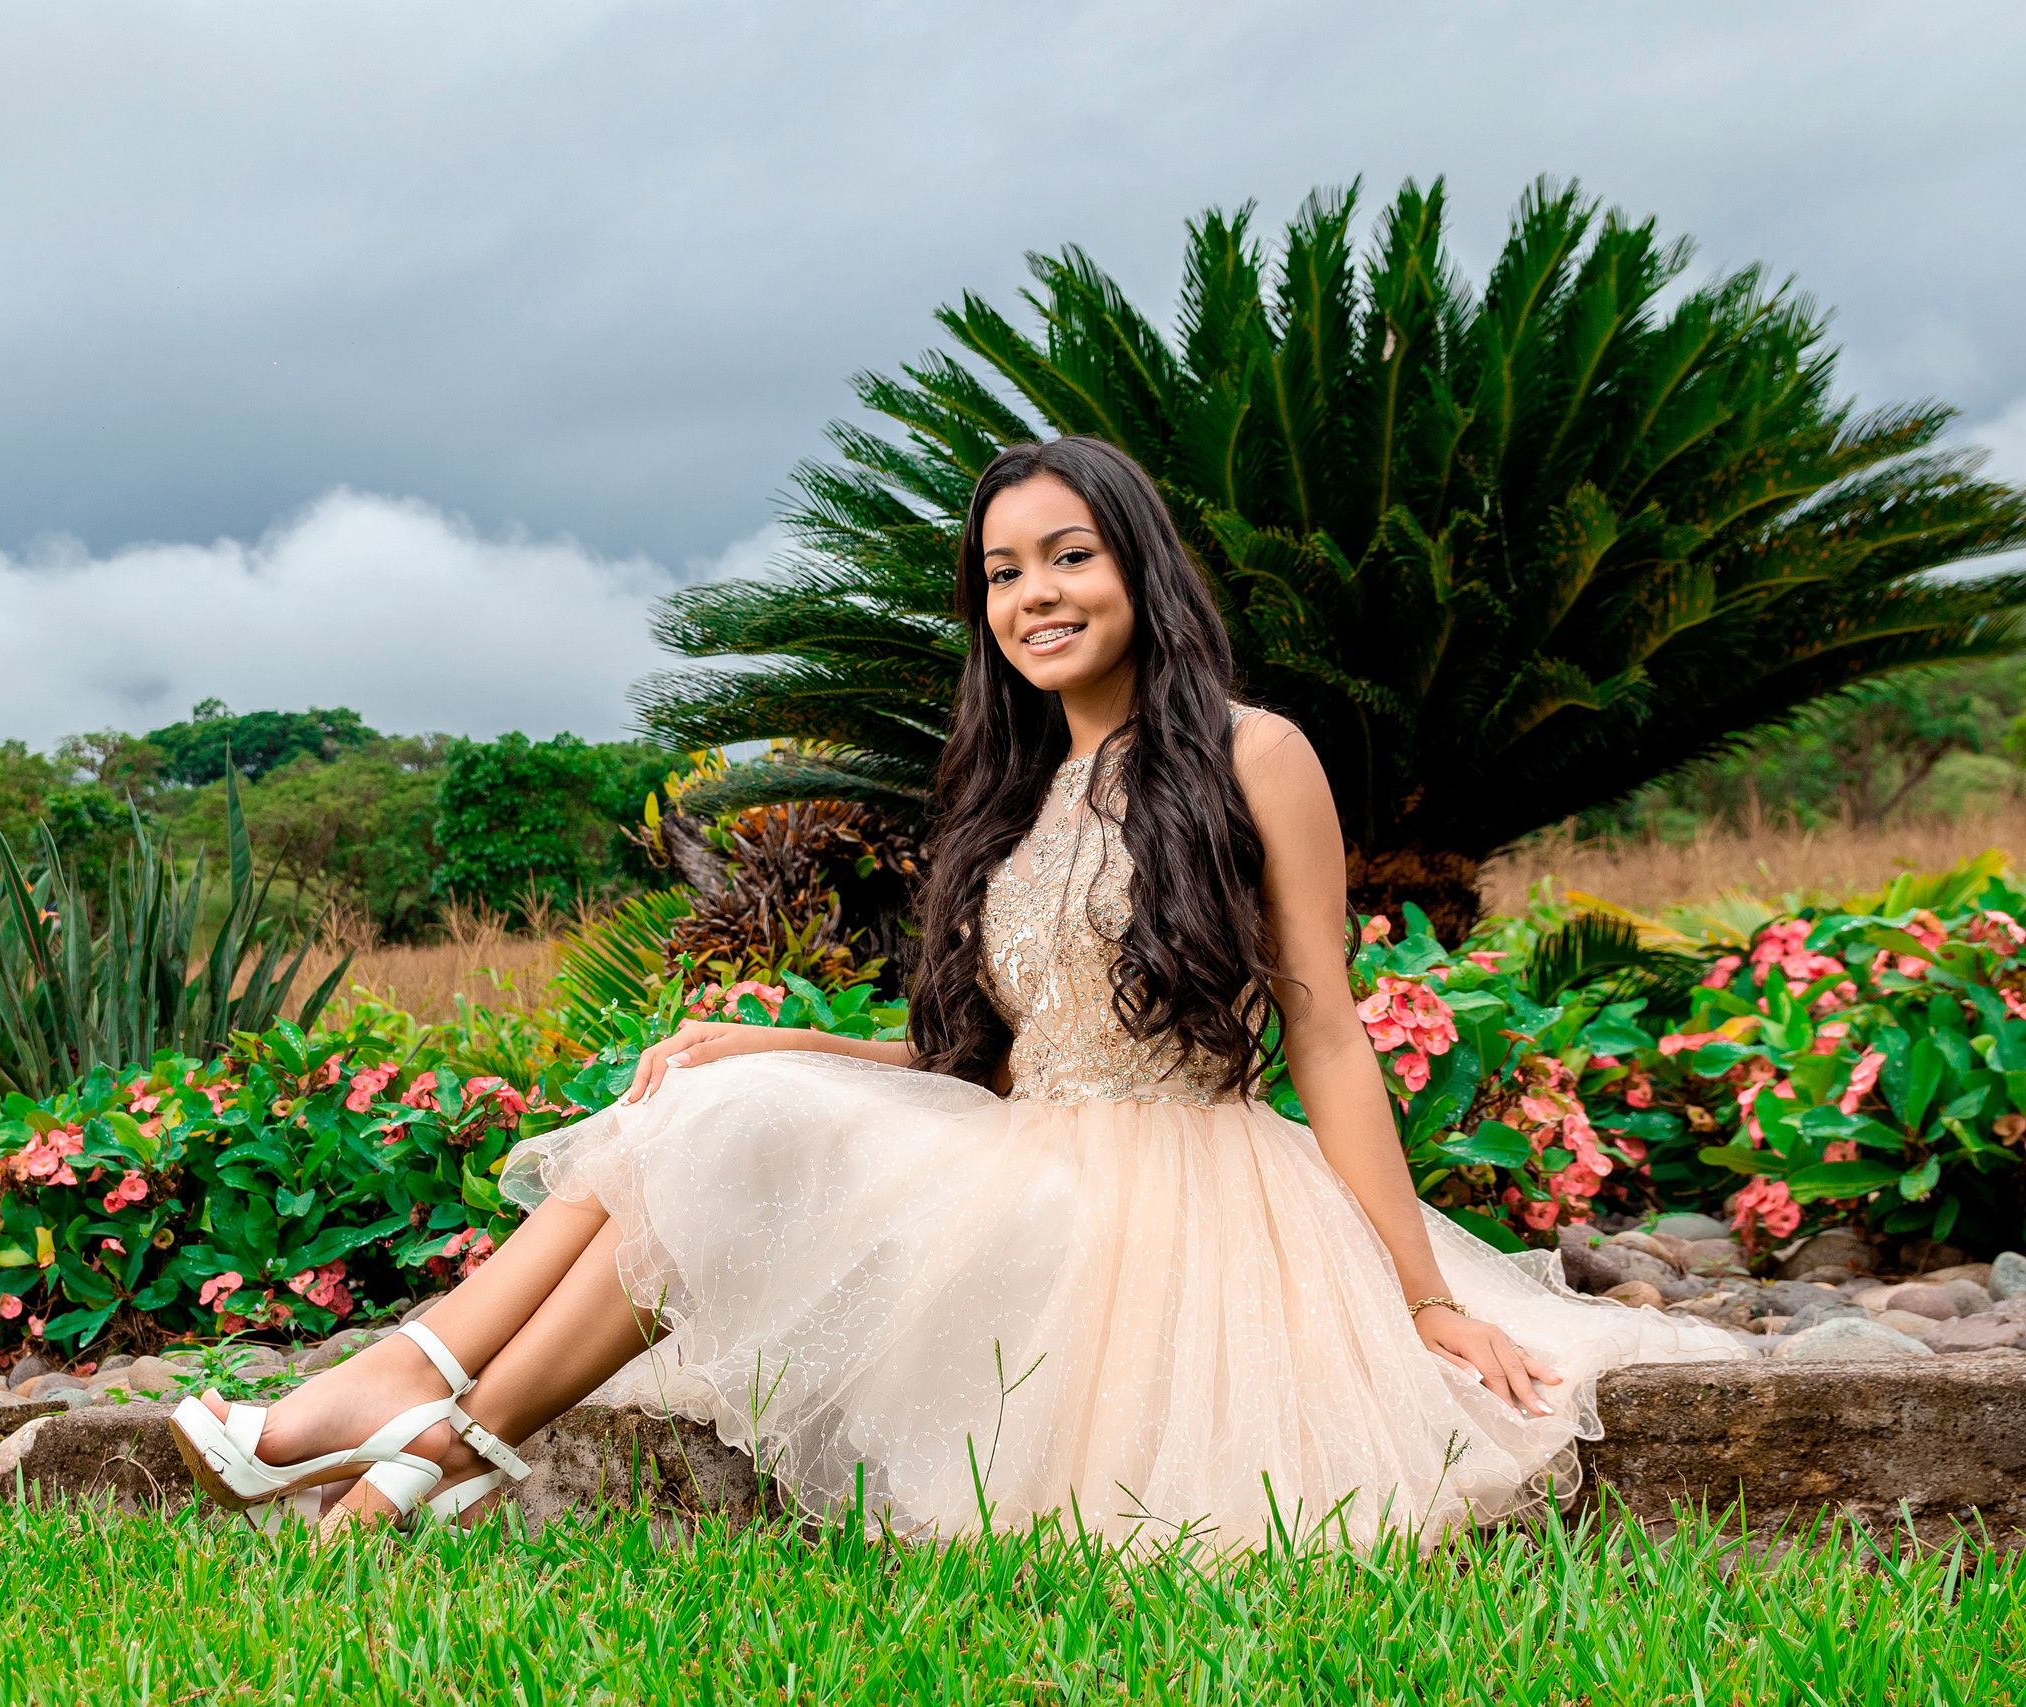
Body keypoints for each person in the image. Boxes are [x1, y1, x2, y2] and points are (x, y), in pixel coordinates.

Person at [169, 436, 1746, 1548]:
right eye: (1003, 572)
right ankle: (426, 1444)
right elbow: (988, 1057)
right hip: (1028, 1150)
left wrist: (1422, 1300)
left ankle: (412, 1406)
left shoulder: (1253, 753)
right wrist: (771, 1038)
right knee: (716, 1103)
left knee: (728, 1146)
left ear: (1142, 569)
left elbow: (1325, 1031)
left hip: (1172, 1192)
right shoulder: (1011, 794)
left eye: (1071, 557)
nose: (1035, 593)